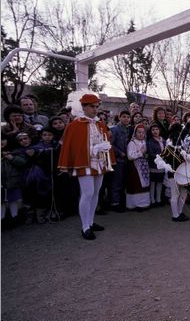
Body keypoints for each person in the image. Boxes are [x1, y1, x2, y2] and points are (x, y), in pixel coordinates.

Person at [58, 94, 114, 240]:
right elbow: (73, 147)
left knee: (96, 193)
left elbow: (103, 140)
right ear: (83, 107)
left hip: (99, 162)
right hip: (84, 162)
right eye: (91, 106)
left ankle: (91, 221)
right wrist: (92, 149)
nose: (95, 110)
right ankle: (85, 227)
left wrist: (104, 147)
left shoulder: (100, 124)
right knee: (87, 193)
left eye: (96, 107)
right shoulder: (74, 125)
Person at [109, 110, 132, 212]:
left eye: (128, 117)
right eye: (124, 117)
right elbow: (110, 144)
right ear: (119, 117)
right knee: (116, 182)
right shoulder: (114, 129)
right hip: (118, 160)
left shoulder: (130, 129)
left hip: (127, 160)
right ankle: (115, 203)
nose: (126, 119)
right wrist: (120, 152)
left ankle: (122, 202)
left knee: (123, 182)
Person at [125, 124, 151, 211]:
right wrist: (141, 153)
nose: (141, 134)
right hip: (135, 167)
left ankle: (144, 203)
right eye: (139, 132)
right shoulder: (132, 143)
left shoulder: (145, 142)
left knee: (144, 185)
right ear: (135, 133)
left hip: (144, 167)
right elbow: (130, 156)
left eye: (143, 132)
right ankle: (134, 204)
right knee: (136, 185)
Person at [146, 124, 166, 207]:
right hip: (154, 165)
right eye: (153, 129)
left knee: (160, 182)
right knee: (153, 183)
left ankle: (158, 199)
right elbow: (151, 153)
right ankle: (152, 200)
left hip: (162, 165)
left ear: (159, 130)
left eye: (156, 129)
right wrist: (160, 157)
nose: (155, 131)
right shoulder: (150, 141)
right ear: (151, 131)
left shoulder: (163, 140)